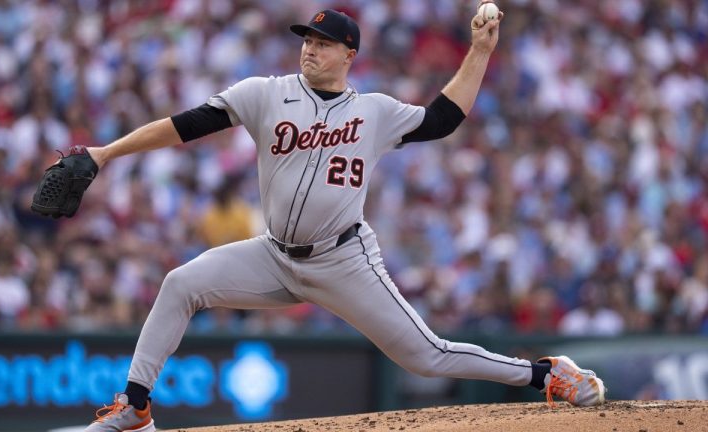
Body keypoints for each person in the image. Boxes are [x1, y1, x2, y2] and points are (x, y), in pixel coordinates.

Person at [82, 4, 605, 431]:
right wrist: (106, 152)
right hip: (273, 254)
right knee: (180, 283)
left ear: (349, 54)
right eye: (306, 39)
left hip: (344, 259)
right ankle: (136, 406)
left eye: (323, 42)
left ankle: (545, 374)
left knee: (426, 356)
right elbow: (184, 125)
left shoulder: (373, 111)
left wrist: (480, 51)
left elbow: (443, 119)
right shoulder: (265, 93)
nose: (310, 47)